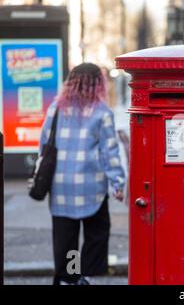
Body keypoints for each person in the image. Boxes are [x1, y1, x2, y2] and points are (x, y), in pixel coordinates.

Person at [39, 63, 126, 285]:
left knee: (66, 238)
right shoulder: (102, 112)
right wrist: (118, 183)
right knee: (96, 233)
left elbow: (44, 145)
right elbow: (109, 152)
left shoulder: (56, 108)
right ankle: (85, 275)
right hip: (92, 187)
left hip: (61, 186)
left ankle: (69, 277)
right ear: (99, 84)